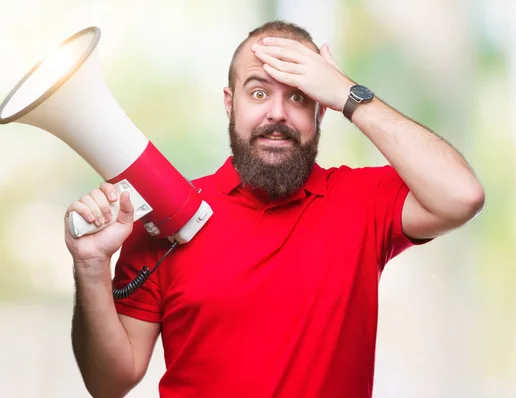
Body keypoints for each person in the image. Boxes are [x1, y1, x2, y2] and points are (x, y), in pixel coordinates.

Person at [65, 20, 485, 398]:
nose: (277, 113)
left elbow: (461, 195)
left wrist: (347, 92)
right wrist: (90, 265)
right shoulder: (166, 215)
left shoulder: (363, 201)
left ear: (322, 109)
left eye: (300, 96)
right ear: (230, 103)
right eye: (259, 92)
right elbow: (108, 384)